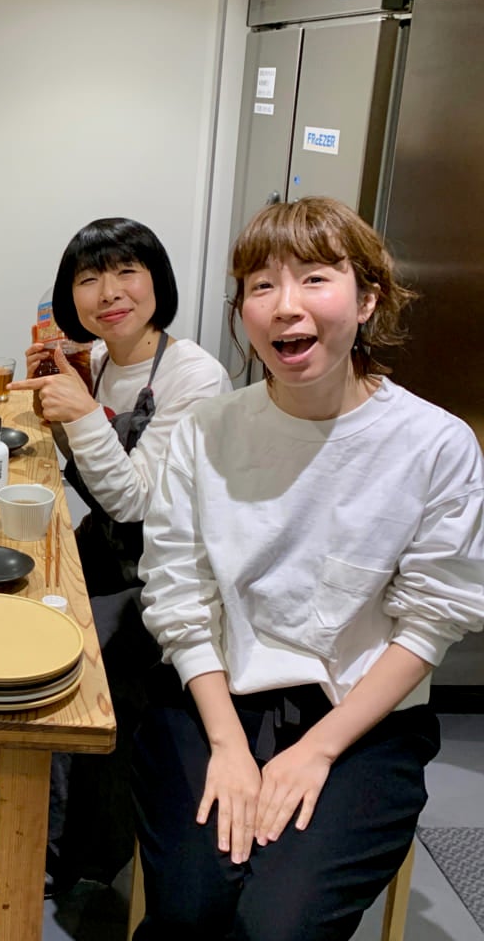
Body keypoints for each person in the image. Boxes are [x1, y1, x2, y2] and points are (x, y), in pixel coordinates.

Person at [131, 197, 484, 939]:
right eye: (261, 286)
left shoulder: (436, 444)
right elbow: (178, 592)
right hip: (216, 694)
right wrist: (228, 744)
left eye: (315, 278)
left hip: (363, 716)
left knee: (277, 926)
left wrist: (317, 750)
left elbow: (433, 618)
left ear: (368, 298)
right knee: (190, 911)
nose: (285, 306)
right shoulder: (208, 430)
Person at [0, 218, 230, 889]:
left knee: (76, 659)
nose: (109, 292)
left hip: (169, 571)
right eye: (89, 278)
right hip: (108, 545)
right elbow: (90, 480)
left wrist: (84, 412)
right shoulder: (96, 359)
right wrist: (60, 402)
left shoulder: (195, 376)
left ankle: (72, 846)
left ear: (158, 281)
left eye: (127, 272)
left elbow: (135, 501)